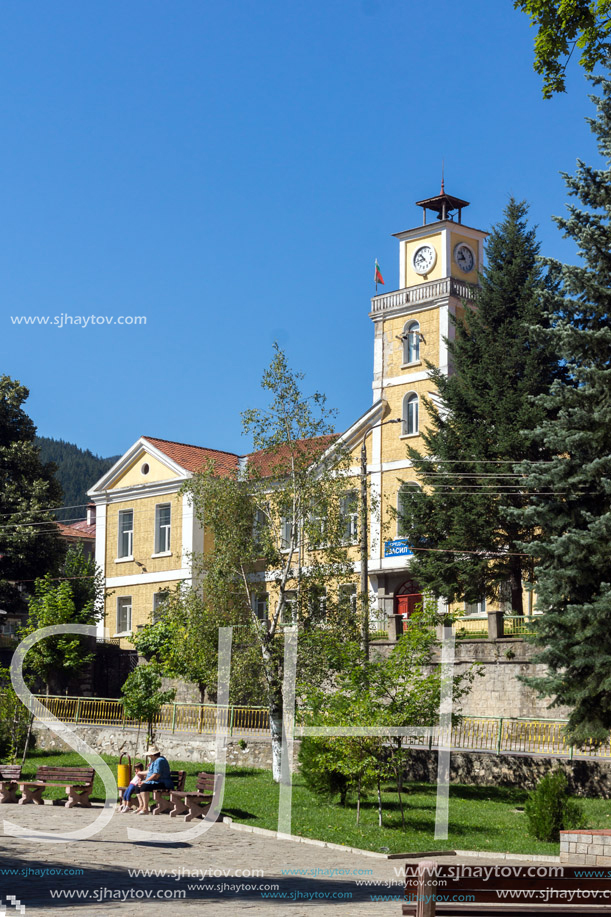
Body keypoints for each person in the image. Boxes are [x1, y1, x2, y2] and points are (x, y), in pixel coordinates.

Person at [134, 745, 173, 814]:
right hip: (155, 782)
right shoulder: (154, 761)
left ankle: (145, 808)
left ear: (153, 755)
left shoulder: (160, 761)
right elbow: (150, 771)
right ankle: (141, 806)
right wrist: (140, 773)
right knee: (137, 786)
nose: (149, 756)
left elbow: (156, 775)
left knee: (144, 787)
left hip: (162, 783)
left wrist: (145, 781)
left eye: (149, 755)